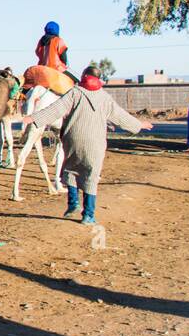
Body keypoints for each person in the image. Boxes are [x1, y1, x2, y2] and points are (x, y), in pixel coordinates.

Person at [22, 65, 152, 225]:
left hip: (74, 140)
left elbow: (56, 109)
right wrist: (139, 125)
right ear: (99, 80)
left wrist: (34, 118)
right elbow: (121, 117)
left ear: (83, 77)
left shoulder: (75, 93)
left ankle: (73, 204)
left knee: (70, 169)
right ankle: (88, 215)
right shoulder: (105, 98)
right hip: (96, 144)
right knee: (91, 176)